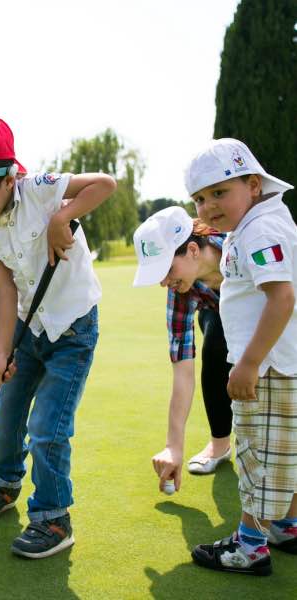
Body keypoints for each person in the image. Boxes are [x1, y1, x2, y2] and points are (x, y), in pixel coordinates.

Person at [0, 113, 116, 558]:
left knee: (47, 427)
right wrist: (1, 353)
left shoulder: (39, 189)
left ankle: (53, 519)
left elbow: (104, 183)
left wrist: (64, 218)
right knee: (6, 415)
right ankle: (4, 483)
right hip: (26, 330)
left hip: (73, 330)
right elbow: (4, 289)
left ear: (7, 177)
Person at [182, 139, 297, 576]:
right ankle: (287, 525)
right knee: (286, 455)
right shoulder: (253, 226)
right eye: (199, 197)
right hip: (280, 364)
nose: (208, 206)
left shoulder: (261, 230)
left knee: (258, 456)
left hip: (267, 369)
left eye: (218, 192)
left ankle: (250, 546)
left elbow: (280, 298)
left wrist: (248, 362)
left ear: (252, 185)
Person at [133, 206, 233, 492]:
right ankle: (220, 444)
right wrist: (173, 447)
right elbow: (183, 371)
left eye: (166, 269)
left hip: (271, 304)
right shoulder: (181, 288)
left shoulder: (239, 246)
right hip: (217, 307)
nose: (164, 282)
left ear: (192, 250)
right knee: (215, 347)